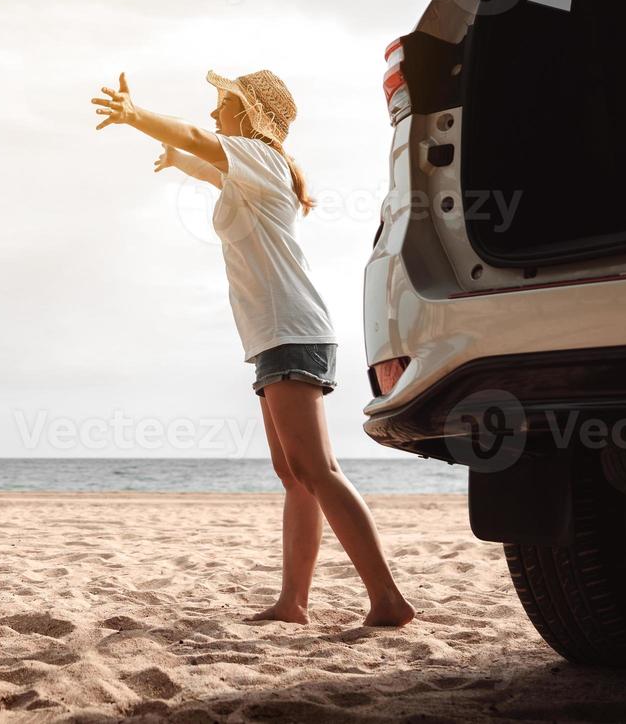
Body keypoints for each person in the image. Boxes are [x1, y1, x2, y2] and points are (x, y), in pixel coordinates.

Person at [92, 69, 415, 628]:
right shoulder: (252, 173)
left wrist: (135, 114)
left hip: (292, 330)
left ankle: (388, 599)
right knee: (296, 474)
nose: (216, 113)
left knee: (318, 469)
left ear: (249, 114)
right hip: (276, 336)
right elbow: (203, 157)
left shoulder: (260, 160)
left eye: (224, 104)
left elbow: (200, 139)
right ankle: (293, 604)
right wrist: (175, 159)